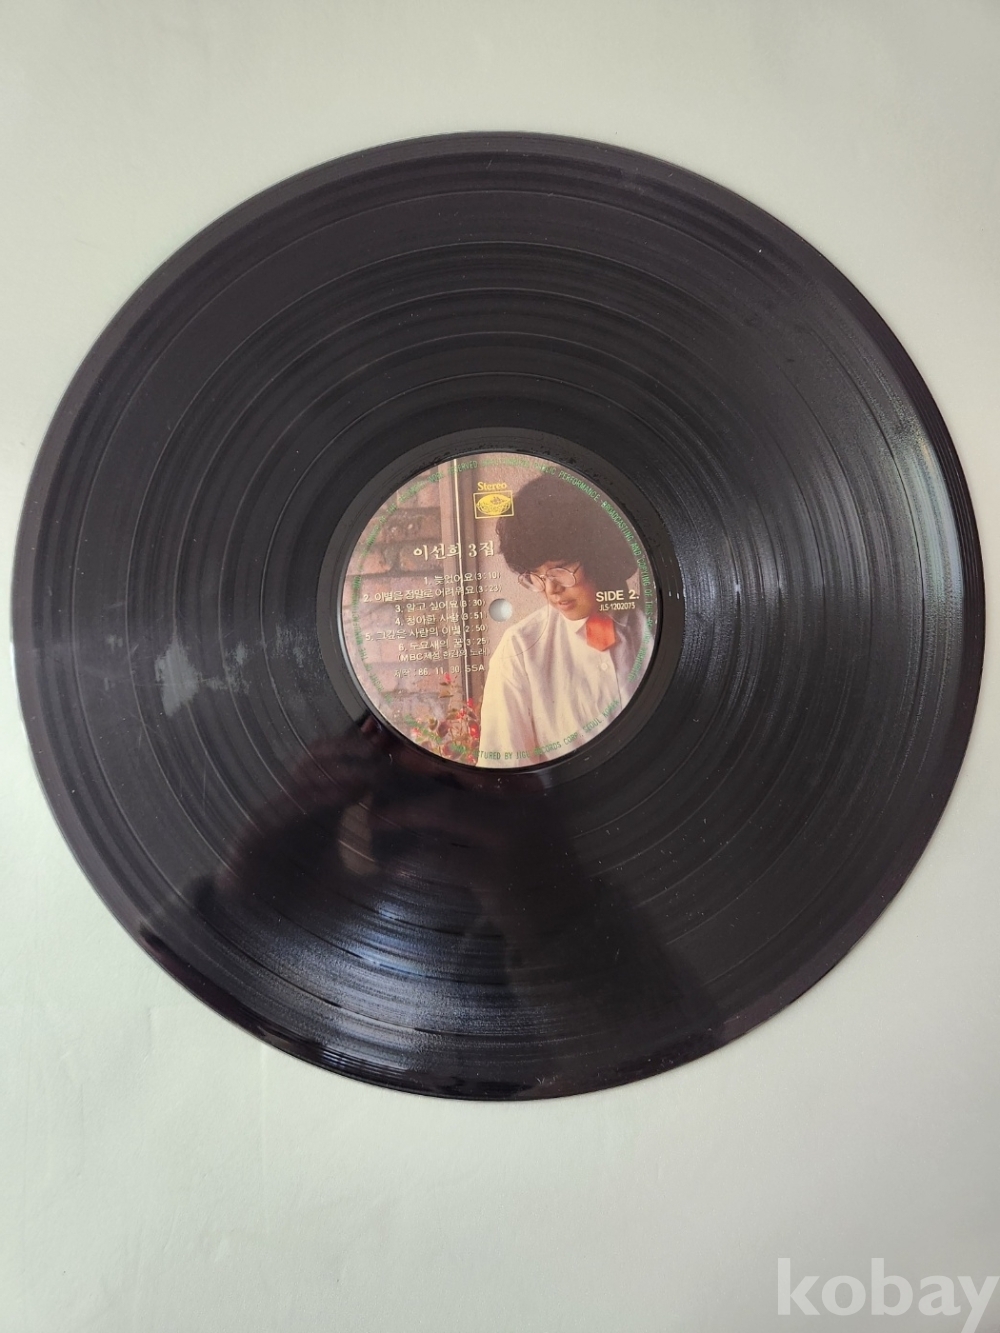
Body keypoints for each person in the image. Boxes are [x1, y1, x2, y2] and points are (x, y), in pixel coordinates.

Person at [477, 472, 653, 768]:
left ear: (598, 555)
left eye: (560, 569)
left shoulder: (653, 627)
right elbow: (503, 778)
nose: (551, 589)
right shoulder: (519, 652)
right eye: (536, 576)